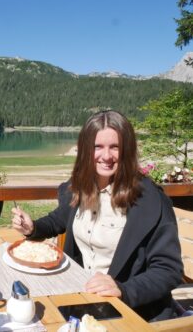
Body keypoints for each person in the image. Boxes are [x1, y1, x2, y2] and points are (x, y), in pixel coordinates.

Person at [11, 110, 183, 321]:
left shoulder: (150, 201)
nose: (106, 156)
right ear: (85, 150)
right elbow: (60, 218)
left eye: (115, 147)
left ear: (127, 150)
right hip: (81, 301)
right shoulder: (79, 188)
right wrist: (33, 228)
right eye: (98, 147)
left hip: (132, 313)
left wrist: (123, 289)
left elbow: (168, 270)